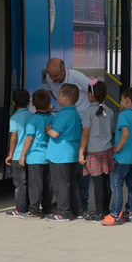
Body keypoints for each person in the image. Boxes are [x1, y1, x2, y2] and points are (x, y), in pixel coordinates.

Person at [45, 58, 92, 213]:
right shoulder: (50, 78)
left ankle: (80, 203)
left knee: (79, 168)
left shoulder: (78, 77)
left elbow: (93, 89)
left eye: (56, 76)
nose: (52, 79)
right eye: (50, 76)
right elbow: (52, 91)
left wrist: (93, 112)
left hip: (81, 121)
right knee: (71, 173)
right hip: (69, 119)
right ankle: (72, 204)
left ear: (64, 71)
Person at [102, 87, 132, 226]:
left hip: (123, 156)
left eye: (121, 100)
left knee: (116, 184)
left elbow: (125, 133)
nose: (119, 102)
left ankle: (114, 214)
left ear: (127, 100)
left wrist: (118, 146)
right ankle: (130, 212)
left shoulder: (124, 115)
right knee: (131, 185)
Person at [45, 84, 82, 222]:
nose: (57, 97)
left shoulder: (63, 114)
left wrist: (48, 129)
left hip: (59, 155)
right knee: (71, 182)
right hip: (71, 153)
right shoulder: (75, 113)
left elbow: (55, 134)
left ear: (66, 99)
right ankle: (76, 210)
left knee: (60, 184)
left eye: (59, 94)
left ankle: (63, 212)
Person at [78, 80, 114, 223]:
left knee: (97, 183)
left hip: (94, 151)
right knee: (106, 181)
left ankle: (99, 213)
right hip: (107, 150)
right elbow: (111, 131)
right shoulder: (109, 111)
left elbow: (85, 133)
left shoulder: (88, 112)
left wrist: (81, 152)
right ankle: (105, 210)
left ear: (90, 95)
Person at [19, 89, 55, 219]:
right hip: (49, 156)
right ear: (49, 102)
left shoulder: (32, 119)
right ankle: (47, 209)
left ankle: (34, 210)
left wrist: (22, 155)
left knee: (35, 185)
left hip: (34, 157)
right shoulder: (52, 118)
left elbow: (29, 138)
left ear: (32, 103)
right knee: (47, 184)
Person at [4, 89, 32, 218]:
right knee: (30, 182)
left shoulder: (14, 118)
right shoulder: (32, 115)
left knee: (20, 184)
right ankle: (30, 207)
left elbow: (13, 137)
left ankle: (20, 209)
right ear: (29, 102)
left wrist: (10, 154)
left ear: (13, 102)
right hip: (30, 155)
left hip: (17, 156)